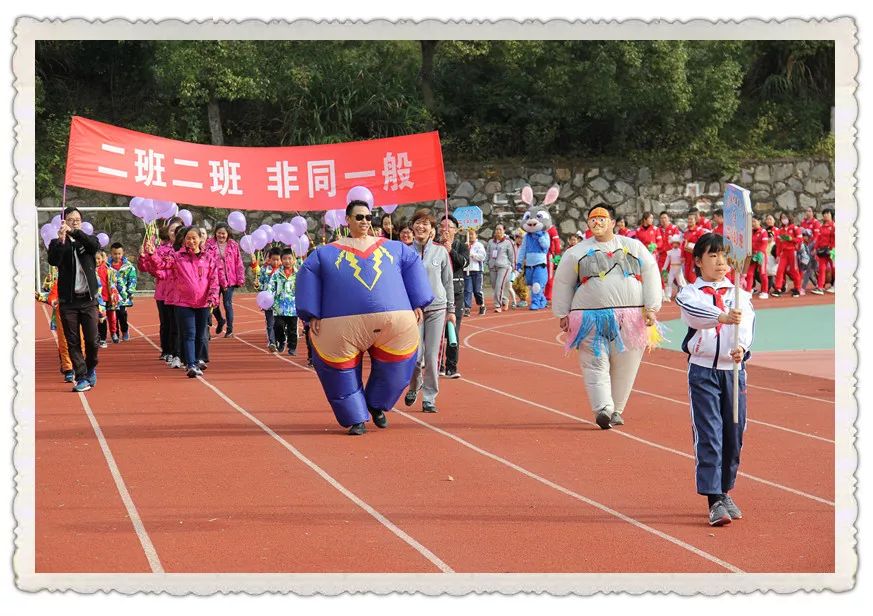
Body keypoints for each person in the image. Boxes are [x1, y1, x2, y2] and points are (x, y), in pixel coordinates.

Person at [296, 196, 433, 435]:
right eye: (359, 217)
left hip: (395, 323)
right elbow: (308, 273)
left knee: (398, 368)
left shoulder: (395, 248)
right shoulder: (325, 253)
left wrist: (417, 301)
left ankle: (376, 404)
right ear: (347, 220)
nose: (365, 221)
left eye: (368, 217)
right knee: (338, 370)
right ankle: (356, 417)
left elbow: (413, 265)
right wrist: (311, 313)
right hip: (339, 326)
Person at [552, 204, 662, 429]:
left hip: (630, 317)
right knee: (594, 363)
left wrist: (651, 308)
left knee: (626, 364)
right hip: (589, 319)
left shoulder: (634, 247)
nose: (597, 223)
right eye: (593, 219)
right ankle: (603, 407)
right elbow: (563, 282)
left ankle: (617, 409)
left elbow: (651, 273)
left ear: (613, 222)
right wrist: (562, 312)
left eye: (602, 218)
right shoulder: (576, 253)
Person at [675, 233, 755, 527]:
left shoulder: (740, 294)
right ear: (698, 261)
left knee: (734, 434)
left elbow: (747, 325)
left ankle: (724, 490)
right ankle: (713, 500)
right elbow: (695, 316)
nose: (720, 262)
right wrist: (721, 317)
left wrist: (741, 348)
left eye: (724, 256)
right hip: (703, 372)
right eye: (712, 256)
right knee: (710, 433)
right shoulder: (690, 293)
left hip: (733, 373)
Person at [146, 226, 219, 378]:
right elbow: (161, 265)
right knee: (189, 334)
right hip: (183, 303)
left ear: (200, 239)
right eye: (188, 238)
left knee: (201, 335)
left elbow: (214, 279)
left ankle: (198, 359)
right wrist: (152, 254)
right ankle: (190, 364)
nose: (191, 241)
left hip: (203, 302)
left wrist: (213, 297)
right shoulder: (177, 257)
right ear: (184, 240)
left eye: (194, 238)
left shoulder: (209, 258)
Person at [401, 208, 455, 413]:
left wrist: (451, 310)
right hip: (414, 310)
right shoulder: (405, 252)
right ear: (412, 227)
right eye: (417, 222)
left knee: (432, 357)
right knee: (415, 356)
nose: (421, 226)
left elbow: (447, 282)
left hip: (437, 309)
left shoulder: (441, 251)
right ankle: (415, 385)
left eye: (426, 223)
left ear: (432, 229)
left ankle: (430, 398)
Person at [47, 206, 101, 392]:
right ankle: (82, 376)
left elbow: (95, 247)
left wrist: (76, 233)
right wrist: (62, 241)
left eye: (77, 219)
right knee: (73, 341)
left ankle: (91, 367)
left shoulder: (87, 240)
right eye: (70, 219)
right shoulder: (57, 243)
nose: (74, 222)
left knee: (93, 340)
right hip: (68, 301)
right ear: (63, 222)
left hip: (88, 299)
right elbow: (54, 260)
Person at [139, 216, 184, 363]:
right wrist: (144, 257)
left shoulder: (185, 250)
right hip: (163, 292)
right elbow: (150, 269)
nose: (175, 233)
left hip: (181, 293)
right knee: (166, 323)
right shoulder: (161, 249)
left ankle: (178, 352)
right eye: (172, 230)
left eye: (178, 230)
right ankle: (167, 350)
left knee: (177, 324)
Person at [438, 213, 469, 379]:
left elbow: (464, 263)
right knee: (437, 332)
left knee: (452, 331)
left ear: (455, 230)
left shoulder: (461, 245)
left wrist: (451, 250)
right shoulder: (434, 245)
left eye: (449, 227)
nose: (445, 229)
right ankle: (439, 365)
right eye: (442, 226)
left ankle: (451, 366)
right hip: (438, 292)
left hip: (456, 292)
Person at [206, 222, 245, 337]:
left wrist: (240, 278)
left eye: (223, 233)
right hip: (214, 279)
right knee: (213, 303)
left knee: (227, 304)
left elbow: (238, 262)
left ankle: (230, 329)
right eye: (219, 233)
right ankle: (219, 320)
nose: (221, 236)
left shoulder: (233, 245)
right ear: (215, 233)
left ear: (228, 234)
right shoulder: (209, 244)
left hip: (229, 280)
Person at [269, 248, 299, 355]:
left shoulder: (298, 274)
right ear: (281, 260)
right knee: (278, 326)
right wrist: (268, 299)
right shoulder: (276, 274)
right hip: (279, 307)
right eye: (285, 258)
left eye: (289, 258)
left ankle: (292, 347)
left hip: (293, 307)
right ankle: (281, 341)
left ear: (294, 260)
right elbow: (271, 287)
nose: (287, 261)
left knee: (292, 329)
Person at [108, 242, 137, 342]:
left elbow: (132, 279)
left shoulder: (128, 266)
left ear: (123, 253)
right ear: (111, 253)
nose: (117, 256)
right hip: (111, 296)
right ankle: (115, 333)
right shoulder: (107, 266)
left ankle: (125, 331)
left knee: (122, 314)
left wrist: (130, 292)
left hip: (123, 296)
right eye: (115, 254)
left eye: (119, 253)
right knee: (113, 315)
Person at [772, 211, 804, 297]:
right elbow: (778, 244)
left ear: (789, 218)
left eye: (785, 217)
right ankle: (778, 288)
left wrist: (790, 239)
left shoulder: (795, 228)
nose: (784, 219)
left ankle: (797, 288)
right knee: (779, 270)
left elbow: (800, 240)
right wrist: (778, 255)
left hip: (792, 252)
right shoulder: (780, 230)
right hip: (783, 253)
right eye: (782, 218)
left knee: (794, 271)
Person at [257, 247, 282, 352]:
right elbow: (261, 282)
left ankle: (279, 339)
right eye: (273, 259)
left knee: (279, 323)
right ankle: (272, 342)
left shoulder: (284, 270)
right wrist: (258, 285)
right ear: (269, 259)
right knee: (270, 322)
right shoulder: (264, 269)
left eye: (278, 259)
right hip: (267, 301)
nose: (275, 262)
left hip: (280, 301)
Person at [486, 223, 515, 313]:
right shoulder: (491, 242)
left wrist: (513, 266)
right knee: (495, 287)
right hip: (492, 266)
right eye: (496, 229)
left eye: (500, 229)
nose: (498, 231)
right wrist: (486, 262)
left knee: (499, 286)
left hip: (504, 266)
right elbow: (488, 254)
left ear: (503, 231)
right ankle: (505, 300)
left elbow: (512, 255)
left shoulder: (508, 242)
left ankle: (498, 305)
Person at [95, 250, 120, 347]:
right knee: (101, 319)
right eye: (95, 259)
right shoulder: (91, 269)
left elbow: (114, 281)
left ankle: (113, 332)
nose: (97, 261)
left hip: (109, 298)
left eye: (98, 258)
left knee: (112, 318)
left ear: (102, 259)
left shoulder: (107, 269)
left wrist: (115, 295)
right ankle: (102, 338)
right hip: (99, 299)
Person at [811, 207, 835, 295]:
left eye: (827, 213)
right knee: (821, 269)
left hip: (832, 251)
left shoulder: (834, 226)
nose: (825, 215)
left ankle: (836, 286)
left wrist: (831, 248)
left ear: (831, 215)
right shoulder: (822, 227)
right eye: (824, 214)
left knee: (834, 269)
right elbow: (818, 239)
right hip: (822, 252)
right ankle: (820, 287)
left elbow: (834, 239)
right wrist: (815, 248)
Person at [745, 216, 770, 299]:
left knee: (762, 274)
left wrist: (759, 253)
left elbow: (764, 244)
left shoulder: (763, 232)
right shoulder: (750, 232)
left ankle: (765, 291)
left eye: (754, 221)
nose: (753, 223)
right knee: (749, 274)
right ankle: (748, 291)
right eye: (752, 222)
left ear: (759, 221)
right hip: (752, 255)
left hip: (761, 255)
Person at [464, 228, 487, 316]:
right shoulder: (465, 245)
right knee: (467, 290)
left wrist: (472, 254)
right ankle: (467, 308)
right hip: (466, 270)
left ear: (476, 235)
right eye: (469, 234)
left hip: (477, 271)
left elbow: (482, 257)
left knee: (477, 291)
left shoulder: (479, 245)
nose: (470, 236)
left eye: (472, 234)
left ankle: (482, 305)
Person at [662, 234, 686, 301]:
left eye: (677, 243)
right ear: (672, 244)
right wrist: (664, 268)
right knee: (669, 282)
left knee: (680, 282)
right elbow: (667, 261)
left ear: (679, 244)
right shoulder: (669, 252)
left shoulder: (681, 252)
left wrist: (683, 268)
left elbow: (683, 261)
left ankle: (682, 295)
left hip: (679, 268)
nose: (675, 245)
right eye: (674, 243)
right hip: (672, 268)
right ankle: (668, 296)